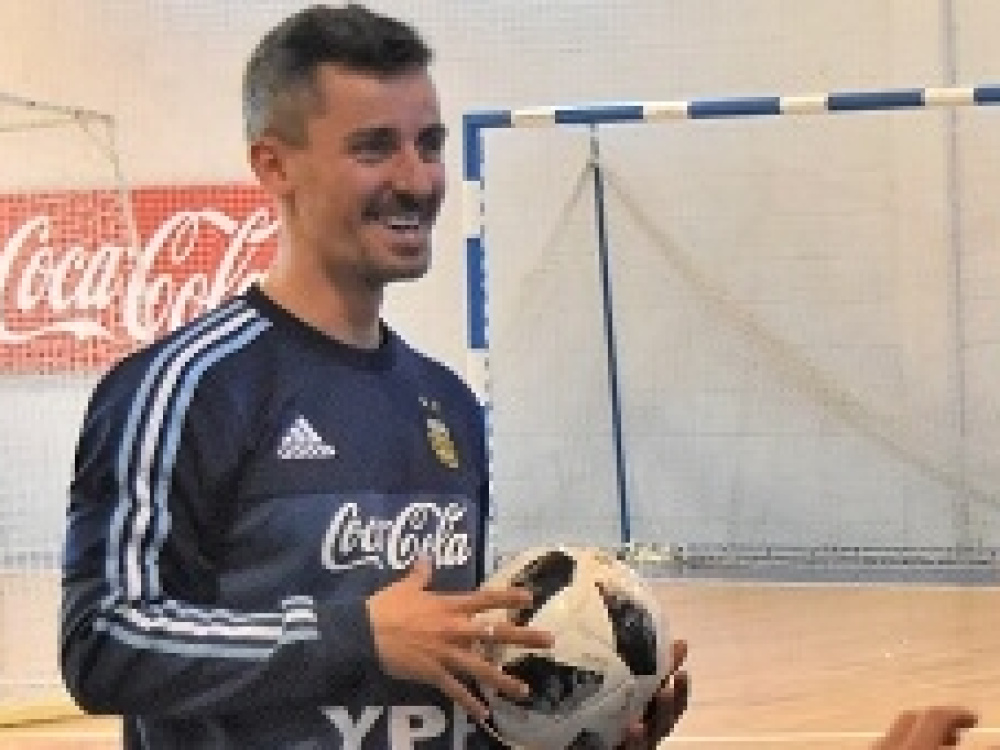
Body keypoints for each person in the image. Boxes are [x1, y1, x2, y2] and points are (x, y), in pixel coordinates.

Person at [58, 4, 688, 749]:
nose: (416, 180)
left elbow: (431, 694)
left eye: (429, 144)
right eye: (374, 148)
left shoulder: (449, 406)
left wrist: (580, 730)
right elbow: (104, 639)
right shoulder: (185, 390)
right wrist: (353, 636)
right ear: (274, 165)